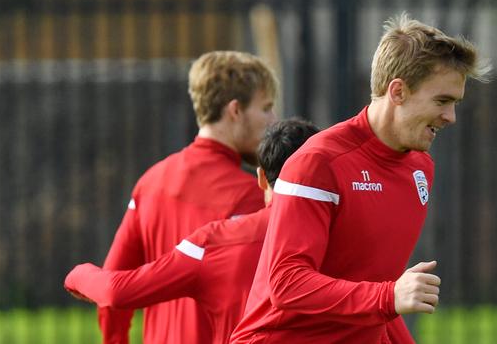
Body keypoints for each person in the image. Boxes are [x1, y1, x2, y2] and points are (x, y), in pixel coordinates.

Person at [230, 13, 491, 343]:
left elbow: (376, 297)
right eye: (442, 101)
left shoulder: (420, 168)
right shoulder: (318, 162)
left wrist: (389, 300)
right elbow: (286, 284)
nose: (450, 117)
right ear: (398, 91)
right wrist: (388, 297)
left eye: (454, 103)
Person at [64, 118, 320, 344]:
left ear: (262, 178)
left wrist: (77, 274)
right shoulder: (350, 237)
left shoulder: (216, 241)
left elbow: (116, 291)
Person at [100, 51, 278, 344]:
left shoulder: (150, 182)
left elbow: (112, 290)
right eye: (266, 108)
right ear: (235, 110)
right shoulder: (251, 197)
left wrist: (115, 339)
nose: (273, 120)